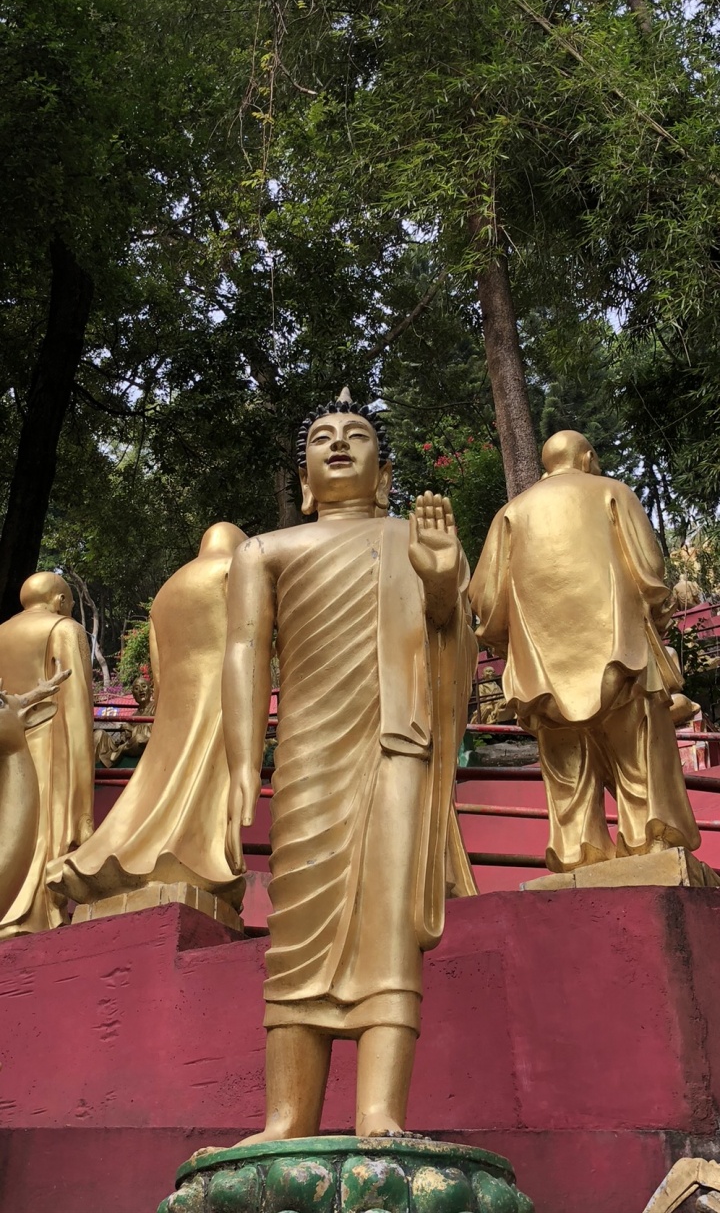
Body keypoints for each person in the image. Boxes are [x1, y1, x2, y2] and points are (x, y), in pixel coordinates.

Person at [222, 389, 477, 1142]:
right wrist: (244, 757)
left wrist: (437, 579)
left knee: (388, 920)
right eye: (323, 437)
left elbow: (449, 637)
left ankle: (381, 1115)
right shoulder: (265, 551)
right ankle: (285, 1119)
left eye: (357, 435)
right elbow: (244, 653)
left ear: (384, 470)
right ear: (304, 476)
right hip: (306, 752)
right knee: (296, 926)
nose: (338, 443)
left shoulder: (411, 539)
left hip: (393, 744)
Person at [470, 429, 700, 873]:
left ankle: (577, 853)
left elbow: (484, 598)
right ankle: (646, 842)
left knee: (567, 771)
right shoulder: (613, 493)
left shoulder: (510, 514)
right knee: (638, 762)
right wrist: (658, 615)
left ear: (545, 468)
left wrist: (507, 639)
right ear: (588, 459)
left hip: (542, 668)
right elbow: (649, 569)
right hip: (619, 654)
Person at [49, 523, 246, 918]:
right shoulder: (236, 571)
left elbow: (157, 668)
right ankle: (189, 858)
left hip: (176, 703)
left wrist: (167, 699)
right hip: (224, 693)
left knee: (157, 781)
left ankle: (124, 854)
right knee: (202, 785)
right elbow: (249, 641)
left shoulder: (167, 591)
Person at [0, 573, 94, 936]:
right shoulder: (64, 629)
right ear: (59, 600)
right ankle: (34, 915)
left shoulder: (2, 632)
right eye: (68, 602)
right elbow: (77, 705)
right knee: (40, 828)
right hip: (47, 742)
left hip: (6, 742)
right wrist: (83, 803)